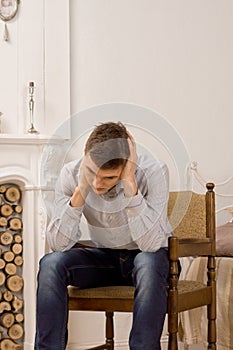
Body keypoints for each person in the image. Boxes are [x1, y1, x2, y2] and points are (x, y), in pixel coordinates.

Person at [35, 121, 172, 350]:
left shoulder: (153, 171)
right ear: (85, 155)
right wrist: (80, 191)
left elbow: (151, 244)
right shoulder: (71, 173)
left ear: (126, 165)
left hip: (146, 257)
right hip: (104, 258)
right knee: (50, 263)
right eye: (91, 172)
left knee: (148, 262)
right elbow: (58, 244)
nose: (97, 183)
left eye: (108, 178)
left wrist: (129, 183)